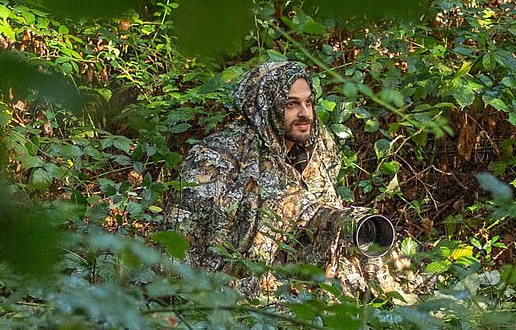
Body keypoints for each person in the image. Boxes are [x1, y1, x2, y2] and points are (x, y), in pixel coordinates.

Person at [164, 59, 405, 295]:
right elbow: (186, 240)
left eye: (308, 102)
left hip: (296, 270)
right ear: (267, 106)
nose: (305, 114)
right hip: (230, 279)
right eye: (291, 104)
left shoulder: (318, 145)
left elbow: (322, 206)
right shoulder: (218, 155)